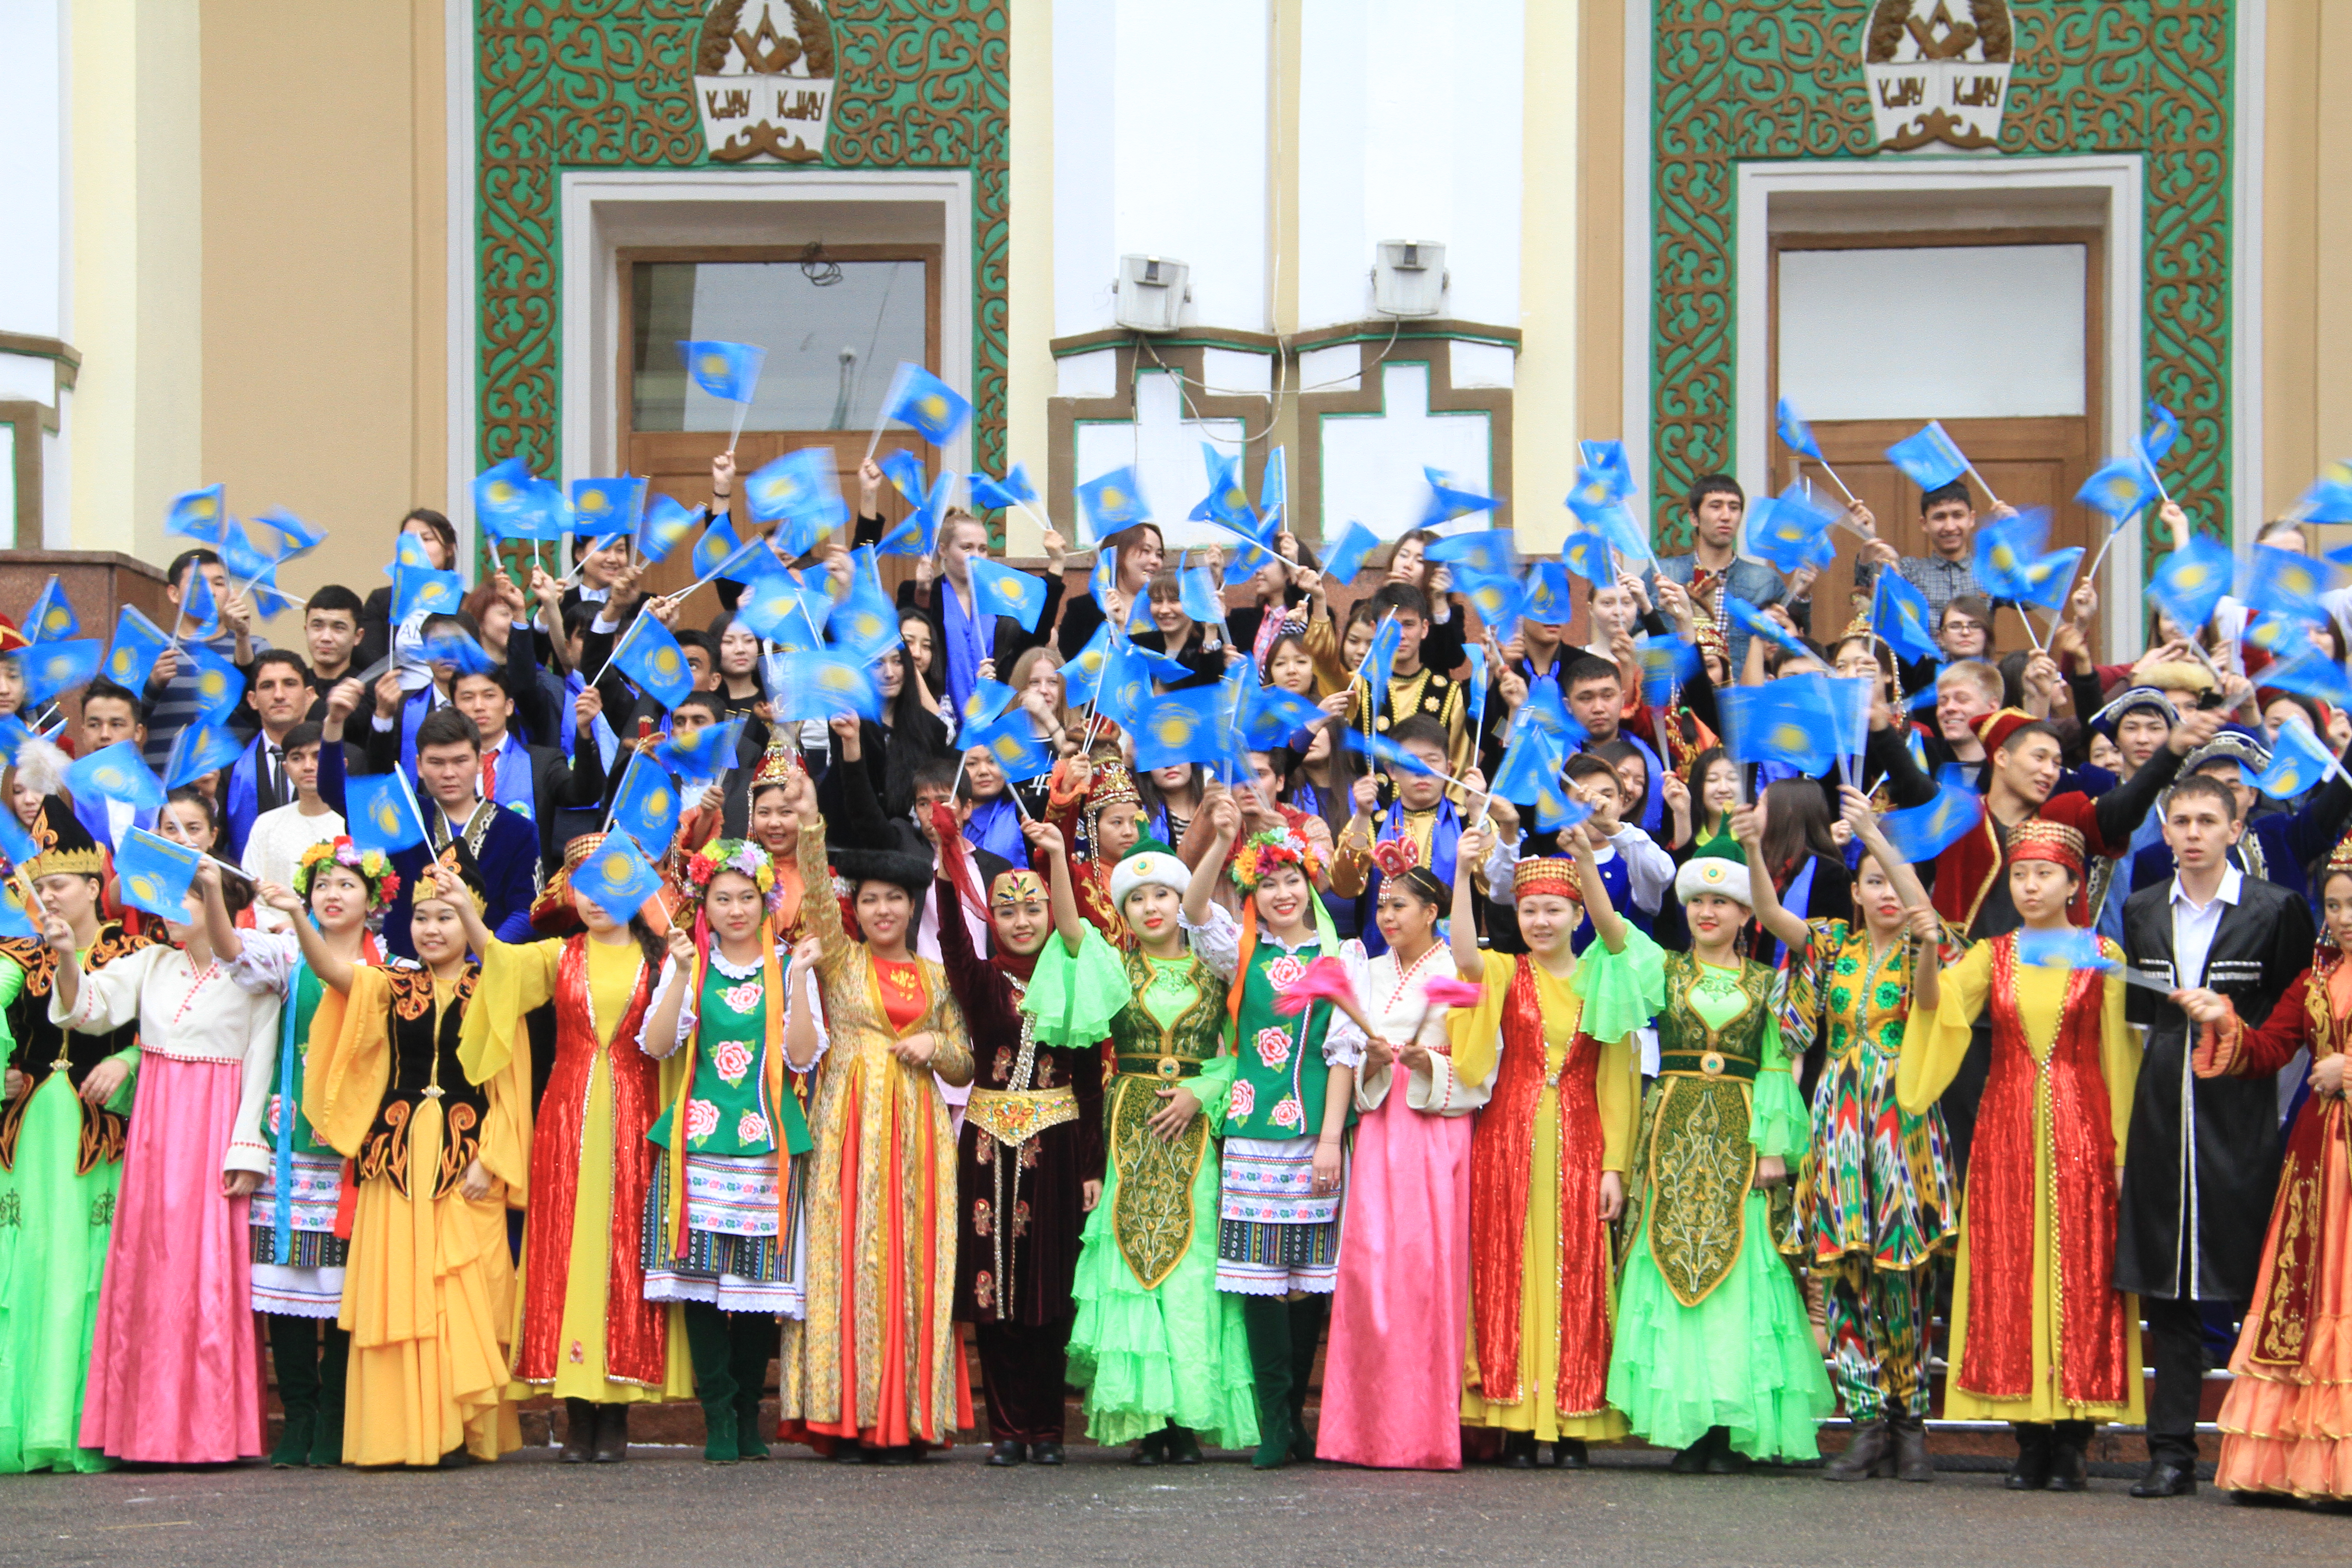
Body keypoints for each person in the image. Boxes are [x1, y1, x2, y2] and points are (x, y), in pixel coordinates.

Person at [1901, 820, 2141, 1491]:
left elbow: (2120, 1056)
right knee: (2011, 1265)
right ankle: (2028, 1437)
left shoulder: (2103, 953)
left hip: (2084, 1125)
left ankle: (2073, 1438)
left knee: (2080, 1271)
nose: (2030, 886)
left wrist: (2121, 1150)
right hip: (2005, 1127)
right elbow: (1936, 1010)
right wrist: (1927, 949)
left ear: (2073, 884)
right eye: (2020, 875)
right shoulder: (1992, 953)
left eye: (2044, 875)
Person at [1606, 830, 1833, 1471]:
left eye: (1722, 902)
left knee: (1744, 1273)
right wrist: (1590, 856)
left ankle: (1735, 1426)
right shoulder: (1665, 969)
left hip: (1740, 1139)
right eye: (1698, 901)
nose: (1708, 912)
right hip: (1673, 1138)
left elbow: (1775, 1066)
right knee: (1670, 1265)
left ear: (1744, 914)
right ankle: (1690, 1427)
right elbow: (1613, 932)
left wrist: (1771, 1151)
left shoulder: (1768, 984)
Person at [2117, 772, 2314, 1497]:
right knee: (2168, 1290)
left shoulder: (2277, 908)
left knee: (2259, 1281)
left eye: (2207, 820)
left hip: (2245, 1117)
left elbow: (2303, 1015)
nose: (2193, 833)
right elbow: (2139, 1025)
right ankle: (2171, 1454)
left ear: (2236, 829)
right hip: (2163, 1115)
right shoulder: (2140, 911)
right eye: (2181, 821)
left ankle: (2270, 1451)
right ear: (2165, 832)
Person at [464, 833, 689, 1463]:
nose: (594, 899)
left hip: (636, 1119)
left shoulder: (660, 962)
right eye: (583, 886)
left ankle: (613, 1413)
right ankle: (576, 1407)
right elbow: (500, 967)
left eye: (608, 884)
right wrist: (463, 908)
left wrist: (684, 968)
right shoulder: (559, 954)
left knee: (620, 1255)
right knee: (566, 1250)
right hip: (565, 1118)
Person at [300, 850, 529, 1466]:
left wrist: (495, 1160)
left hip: (463, 1158)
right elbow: (332, 971)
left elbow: (510, 1084)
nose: (432, 929)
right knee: (397, 1292)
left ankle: (455, 1429)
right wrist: (296, 918)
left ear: (472, 922)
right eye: (423, 917)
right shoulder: (392, 983)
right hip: (396, 1159)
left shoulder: (495, 988)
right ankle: (399, 1434)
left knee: (461, 1292)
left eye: (448, 917)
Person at [48, 860, 281, 1465]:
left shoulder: (254, 969)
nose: (171, 911)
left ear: (218, 905)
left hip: (212, 1122)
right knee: (147, 1269)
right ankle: (142, 1432)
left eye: (189, 900)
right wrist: (69, 957)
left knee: (205, 1273)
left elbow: (260, 1058)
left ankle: (207, 1431)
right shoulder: (152, 963)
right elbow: (90, 1009)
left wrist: (246, 1144)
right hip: (156, 1127)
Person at [775, 765, 976, 1461]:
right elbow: (817, 902)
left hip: (919, 1135)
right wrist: (809, 821)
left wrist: (937, 1044)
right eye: (870, 900)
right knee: (848, 1258)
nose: (882, 910)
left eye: (895, 899)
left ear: (912, 906)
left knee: (912, 1262)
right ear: (854, 909)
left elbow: (966, 1063)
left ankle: (909, 1415)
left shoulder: (939, 977)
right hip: (847, 1129)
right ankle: (848, 1415)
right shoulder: (839, 960)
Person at [1754, 787, 1954, 1483]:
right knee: (1844, 1275)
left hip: (1904, 1114)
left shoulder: (1929, 944)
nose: (1888, 893)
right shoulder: (1833, 943)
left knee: (1906, 1276)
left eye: (1895, 879)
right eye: (1873, 881)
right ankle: (1867, 1424)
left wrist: (1877, 838)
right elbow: (1772, 914)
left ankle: (1911, 1424)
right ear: (1858, 892)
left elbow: (1930, 997)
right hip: (1840, 1115)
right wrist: (1753, 848)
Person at [1446, 820, 1655, 1469]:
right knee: (1506, 1267)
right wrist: (1461, 873)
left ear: (1576, 915)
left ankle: (1569, 1418)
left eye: (1553, 910)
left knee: (1576, 1270)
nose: (1540, 920)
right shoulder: (1508, 973)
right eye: (1530, 909)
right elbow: (1465, 960)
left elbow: (1619, 1081)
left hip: (1583, 1140)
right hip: (1507, 1138)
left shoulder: (1606, 979)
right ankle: (1513, 1414)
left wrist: (1616, 1166)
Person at [1055, 839, 1255, 1463]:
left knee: (1191, 1264)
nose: (1150, 907)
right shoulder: (1116, 967)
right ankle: (1146, 1422)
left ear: (1182, 901)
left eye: (1162, 894)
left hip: (1194, 1133)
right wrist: (1059, 857)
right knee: (1132, 1256)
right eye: (1135, 898)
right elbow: (1068, 934)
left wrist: (1201, 1091)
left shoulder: (1220, 969)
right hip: (1132, 1129)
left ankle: (1188, 1421)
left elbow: (1244, 1048)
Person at [637, 838, 827, 1464]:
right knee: (697, 1285)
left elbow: (802, 1055)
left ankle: (747, 1414)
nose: (737, 909)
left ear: (768, 899)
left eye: (748, 897)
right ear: (705, 904)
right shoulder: (689, 963)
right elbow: (659, 1045)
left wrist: (799, 978)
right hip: (698, 1140)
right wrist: (683, 975)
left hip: (767, 1145)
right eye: (723, 898)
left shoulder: (784, 963)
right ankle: (717, 1414)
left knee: (755, 1290)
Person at [1180, 800, 1357, 1469]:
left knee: (1307, 1279)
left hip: (1315, 1133)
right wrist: (1221, 843)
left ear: (1310, 886)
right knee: (1257, 1276)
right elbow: (1194, 911)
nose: (1282, 895)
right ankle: (1276, 1422)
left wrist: (1331, 1141)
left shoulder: (1341, 955)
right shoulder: (1242, 949)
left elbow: (1341, 1054)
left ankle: (1293, 1418)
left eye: (1292, 882)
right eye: (1268, 885)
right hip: (1252, 1133)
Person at [2176, 833, 2352, 1502]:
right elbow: (2272, 1047)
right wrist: (2224, 1017)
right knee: (2304, 1294)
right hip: (2315, 1160)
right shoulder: (2312, 979)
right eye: (2333, 906)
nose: (2343, 918)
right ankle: (2289, 1466)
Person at [213, 837, 397, 1467]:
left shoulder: (392, 965)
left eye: (346, 885)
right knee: (284, 1287)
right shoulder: (287, 957)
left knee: (347, 1292)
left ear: (372, 901)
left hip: (353, 1148)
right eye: (322, 885)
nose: (332, 895)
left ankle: (339, 1418)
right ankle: (300, 1415)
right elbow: (230, 950)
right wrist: (215, 894)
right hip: (290, 1144)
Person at [934, 817, 1105, 1466]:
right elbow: (951, 938)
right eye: (1007, 911)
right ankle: (1006, 1430)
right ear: (992, 920)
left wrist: (1092, 1162)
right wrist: (948, 859)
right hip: (985, 1145)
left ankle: (1047, 1431)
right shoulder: (980, 982)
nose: (1022, 920)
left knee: (1048, 1292)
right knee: (993, 1293)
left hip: (1057, 1143)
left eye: (1033, 908)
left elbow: (1088, 1075)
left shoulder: (1074, 977)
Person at [1313, 845, 1481, 1470]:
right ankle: (1362, 1432)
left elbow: (1478, 1064)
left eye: (1400, 905)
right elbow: (1351, 1058)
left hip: (1435, 1131)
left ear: (1433, 911)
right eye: (1381, 905)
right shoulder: (1367, 971)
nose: (1386, 915)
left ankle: (1424, 1432)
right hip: (1382, 1126)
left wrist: (1429, 1064)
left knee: (1424, 1272)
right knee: (1370, 1271)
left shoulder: (1459, 969)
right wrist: (1376, 1067)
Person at [0, 820, 155, 1472]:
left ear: (95, 887)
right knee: (28, 1264)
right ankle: (19, 1421)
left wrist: (130, 1057)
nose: (48, 898)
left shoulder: (139, 951)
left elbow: (179, 1024)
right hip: (32, 1131)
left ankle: (79, 1427)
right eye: (39, 888)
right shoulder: (15, 956)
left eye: (59, 885)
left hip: (101, 1136)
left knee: (85, 1273)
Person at [899, 510, 1066, 720]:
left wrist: (1057, 565)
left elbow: (1036, 637)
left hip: (994, 719)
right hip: (936, 719)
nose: (976, 557)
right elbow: (912, 643)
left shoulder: (1000, 596)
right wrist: (923, 592)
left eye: (983, 549)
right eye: (966, 548)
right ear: (943, 550)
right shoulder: (920, 592)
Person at [141, 548, 266, 772]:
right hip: (166, 781)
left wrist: (242, 637)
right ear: (174, 594)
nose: (210, 591)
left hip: (235, 783)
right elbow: (122, 721)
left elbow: (265, 712)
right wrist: (153, 685)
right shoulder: (151, 650)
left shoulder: (255, 647)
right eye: (198, 583)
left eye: (219, 584)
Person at [1646, 475, 1785, 670]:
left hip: (1742, 691)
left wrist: (1802, 597)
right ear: (1694, 517)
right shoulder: (1664, 573)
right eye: (1716, 506)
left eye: (1734, 508)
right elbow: (1623, 623)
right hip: (1678, 689)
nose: (1726, 516)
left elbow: (1794, 639)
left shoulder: (1764, 580)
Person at [1348, 583, 1472, 778]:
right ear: (1375, 629)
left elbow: (1457, 770)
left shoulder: (1449, 691)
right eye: (1391, 625)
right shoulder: (1358, 685)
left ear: (1424, 629)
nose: (1401, 635)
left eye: (1409, 624)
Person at [237, 721, 346, 922]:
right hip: (277, 940)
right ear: (286, 768)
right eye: (297, 758)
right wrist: (280, 926)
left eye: (318, 756)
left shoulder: (357, 824)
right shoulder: (266, 824)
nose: (308, 766)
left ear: (342, 764)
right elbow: (251, 893)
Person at [224, 650, 318, 861]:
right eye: (268, 686)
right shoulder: (229, 760)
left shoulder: (342, 757)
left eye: (290, 684)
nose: (279, 695)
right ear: (253, 700)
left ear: (309, 695)